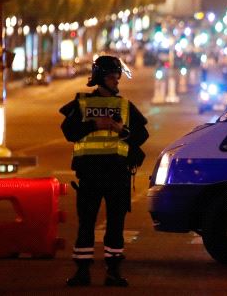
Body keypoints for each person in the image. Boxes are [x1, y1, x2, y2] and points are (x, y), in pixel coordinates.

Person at [59, 55, 149, 288]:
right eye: (112, 76)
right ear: (101, 78)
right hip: (90, 173)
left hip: (117, 173)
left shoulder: (124, 106)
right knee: (86, 223)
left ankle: (113, 271)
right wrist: (94, 125)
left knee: (115, 225)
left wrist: (122, 131)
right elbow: (69, 132)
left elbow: (142, 136)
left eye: (117, 76)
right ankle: (82, 272)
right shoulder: (82, 104)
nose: (116, 81)